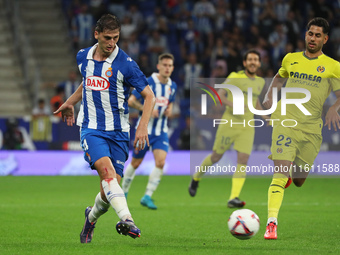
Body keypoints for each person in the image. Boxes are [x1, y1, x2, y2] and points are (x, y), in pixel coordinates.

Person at [54, 14, 155, 243]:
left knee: (109, 191)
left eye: (116, 38)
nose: (112, 43)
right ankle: (128, 220)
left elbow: (149, 96)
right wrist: (71, 101)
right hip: (91, 129)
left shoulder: (126, 64)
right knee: (108, 174)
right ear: (96, 35)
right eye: (107, 38)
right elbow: (87, 81)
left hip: (119, 132)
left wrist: (142, 126)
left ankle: (90, 217)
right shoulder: (82, 56)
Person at [262, 17, 340, 240]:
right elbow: (279, 77)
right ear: (305, 35)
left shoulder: (333, 67)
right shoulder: (291, 59)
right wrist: (269, 94)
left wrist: (334, 108)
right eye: (310, 34)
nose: (313, 38)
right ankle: (271, 223)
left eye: (318, 35)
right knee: (279, 175)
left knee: (298, 180)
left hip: (312, 130)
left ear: (325, 39)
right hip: (285, 122)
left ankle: (288, 178)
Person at [188, 49, 267, 207]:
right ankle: (196, 177)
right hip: (229, 123)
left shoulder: (260, 82)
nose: (253, 62)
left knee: (243, 160)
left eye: (255, 60)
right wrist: (234, 104)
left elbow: (255, 100)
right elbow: (220, 94)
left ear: (259, 63)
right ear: (245, 63)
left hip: (247, 126)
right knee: (216, 157)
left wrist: (265, 116)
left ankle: (233, 197)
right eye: (249, 59)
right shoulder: (234, 77)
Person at [121, 53, 177, 210]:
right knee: (136, 162)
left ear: (172, 68)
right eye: (164, 65)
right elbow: (131, 101)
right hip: (144, 130)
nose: (167, 68)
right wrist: (146, 108)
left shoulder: (173, 86)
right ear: (158, 66)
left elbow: (170, 103)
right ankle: (123, 192)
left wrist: (169, 110)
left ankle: (147, 196)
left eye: (170, 65)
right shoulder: (149, 82)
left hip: (161, 131)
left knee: (160, 162)